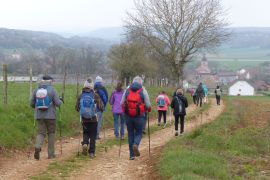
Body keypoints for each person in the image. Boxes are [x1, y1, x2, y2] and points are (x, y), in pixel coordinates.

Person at [30, 75, 62, 160]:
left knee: (41, 133)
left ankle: (37, 146)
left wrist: (38, 108)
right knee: (51, 134)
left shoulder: (36, 89)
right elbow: (58, 103)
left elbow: (31, 103)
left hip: (39, 116)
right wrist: (60, 100)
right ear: (50, 81)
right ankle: (50, 154)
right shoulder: (52, 90)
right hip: (51, 116)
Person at [121, 76, 151, 160]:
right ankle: (136, 144)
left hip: (128, 116)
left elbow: (121, 103)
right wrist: (147, 108)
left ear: (132, 82)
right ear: (141, 82)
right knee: (139, 132)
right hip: (139, 116)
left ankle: (131, 155)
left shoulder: (127, 90)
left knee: (130, 133)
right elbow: (148, 105)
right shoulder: (143, 90)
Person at [75, 78, 103, 158]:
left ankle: (85, 144)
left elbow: (77, 108)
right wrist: (99, 109)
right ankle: (91, 153)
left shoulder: (81, 95)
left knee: (86, 132)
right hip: (94, 119)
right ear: (92, 86)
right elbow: (101, 107)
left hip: (84, 119)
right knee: (93, 135)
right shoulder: (95, 95)